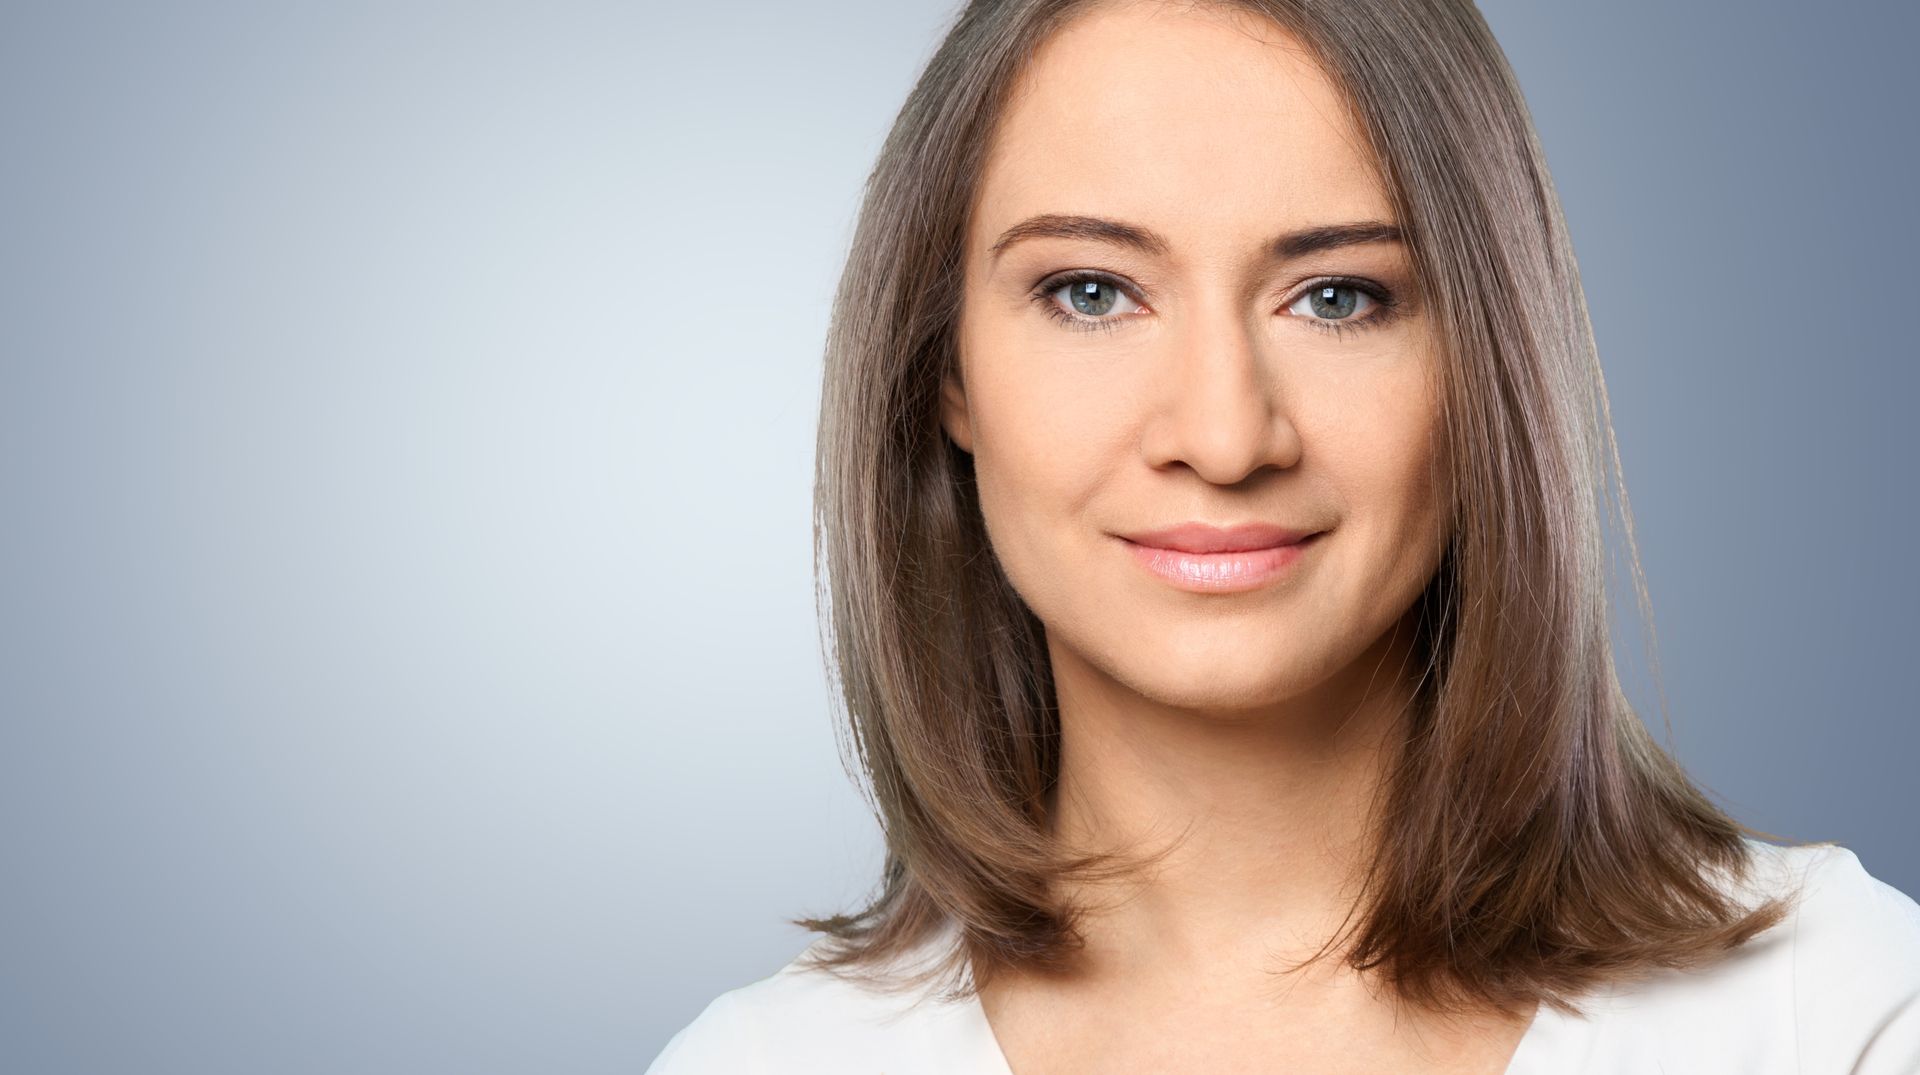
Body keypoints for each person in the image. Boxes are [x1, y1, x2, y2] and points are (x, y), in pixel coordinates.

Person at [649, 0, 1920, 1071]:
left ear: (1483, 362)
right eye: (1092, 292)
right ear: (950, 374)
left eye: (1338, 296)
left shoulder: (1837, 1013)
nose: (1223, 432)